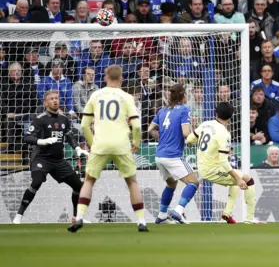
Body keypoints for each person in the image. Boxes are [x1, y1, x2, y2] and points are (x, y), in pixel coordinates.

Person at [69, 66, 146, 233]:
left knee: (89, 180)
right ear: (122, 79)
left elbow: (84, 124)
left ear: (105, 78)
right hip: (121, 143)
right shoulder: (126, 97)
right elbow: (137, 125)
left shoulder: (95, 95)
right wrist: (136, 142)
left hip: (100, 144)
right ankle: (141, 221)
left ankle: (80, 216)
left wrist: (92, 142)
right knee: (132, 181)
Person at [12, 91, 87, 225]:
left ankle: (77, 217)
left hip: (58, 160)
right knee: (36, 182)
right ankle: (18, 216)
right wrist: (42, 141)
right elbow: (27, 137)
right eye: (51, 99)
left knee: (79, 186)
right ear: (46, 103)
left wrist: (77, 148)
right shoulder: (40, 119)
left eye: (56, 98)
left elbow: (69, 135)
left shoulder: (64, 119)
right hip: (41, 158)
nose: (55, 101)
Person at [186, 102, 262, 224]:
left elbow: (189, 139)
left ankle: (227, 212)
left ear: (216, 113)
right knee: (247, 179)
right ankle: (249, 218)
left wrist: (190, 143)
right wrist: (238, 178)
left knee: (237, 176)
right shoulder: (224, 134)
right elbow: (223, 162)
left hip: (202, 167)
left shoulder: (205, 124)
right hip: (211, 170)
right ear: (231, 116)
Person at [147, 84, 199, 224]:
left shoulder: (163, 110)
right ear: (183, 96)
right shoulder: (184, 110)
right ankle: (179, 210)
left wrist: (162, 138)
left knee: (171, 184)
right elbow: (186, 133)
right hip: (172, 156)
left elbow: (150, 129)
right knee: (194, 182)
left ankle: (162, 215)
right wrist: (194, 139)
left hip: (159, 156)